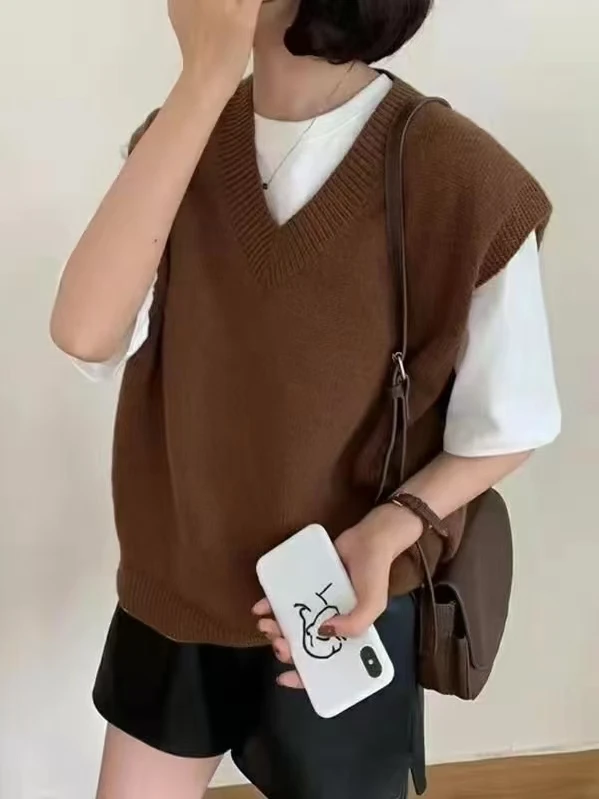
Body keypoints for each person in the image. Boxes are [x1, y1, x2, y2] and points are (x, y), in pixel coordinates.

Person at [51, 1, 561, 798]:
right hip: (173, 590)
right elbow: (85, 330)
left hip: (341, 601)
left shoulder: (458, 176)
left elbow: (510, 421)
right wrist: (204, 81)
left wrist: (388, 530)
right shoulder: (179, 138)